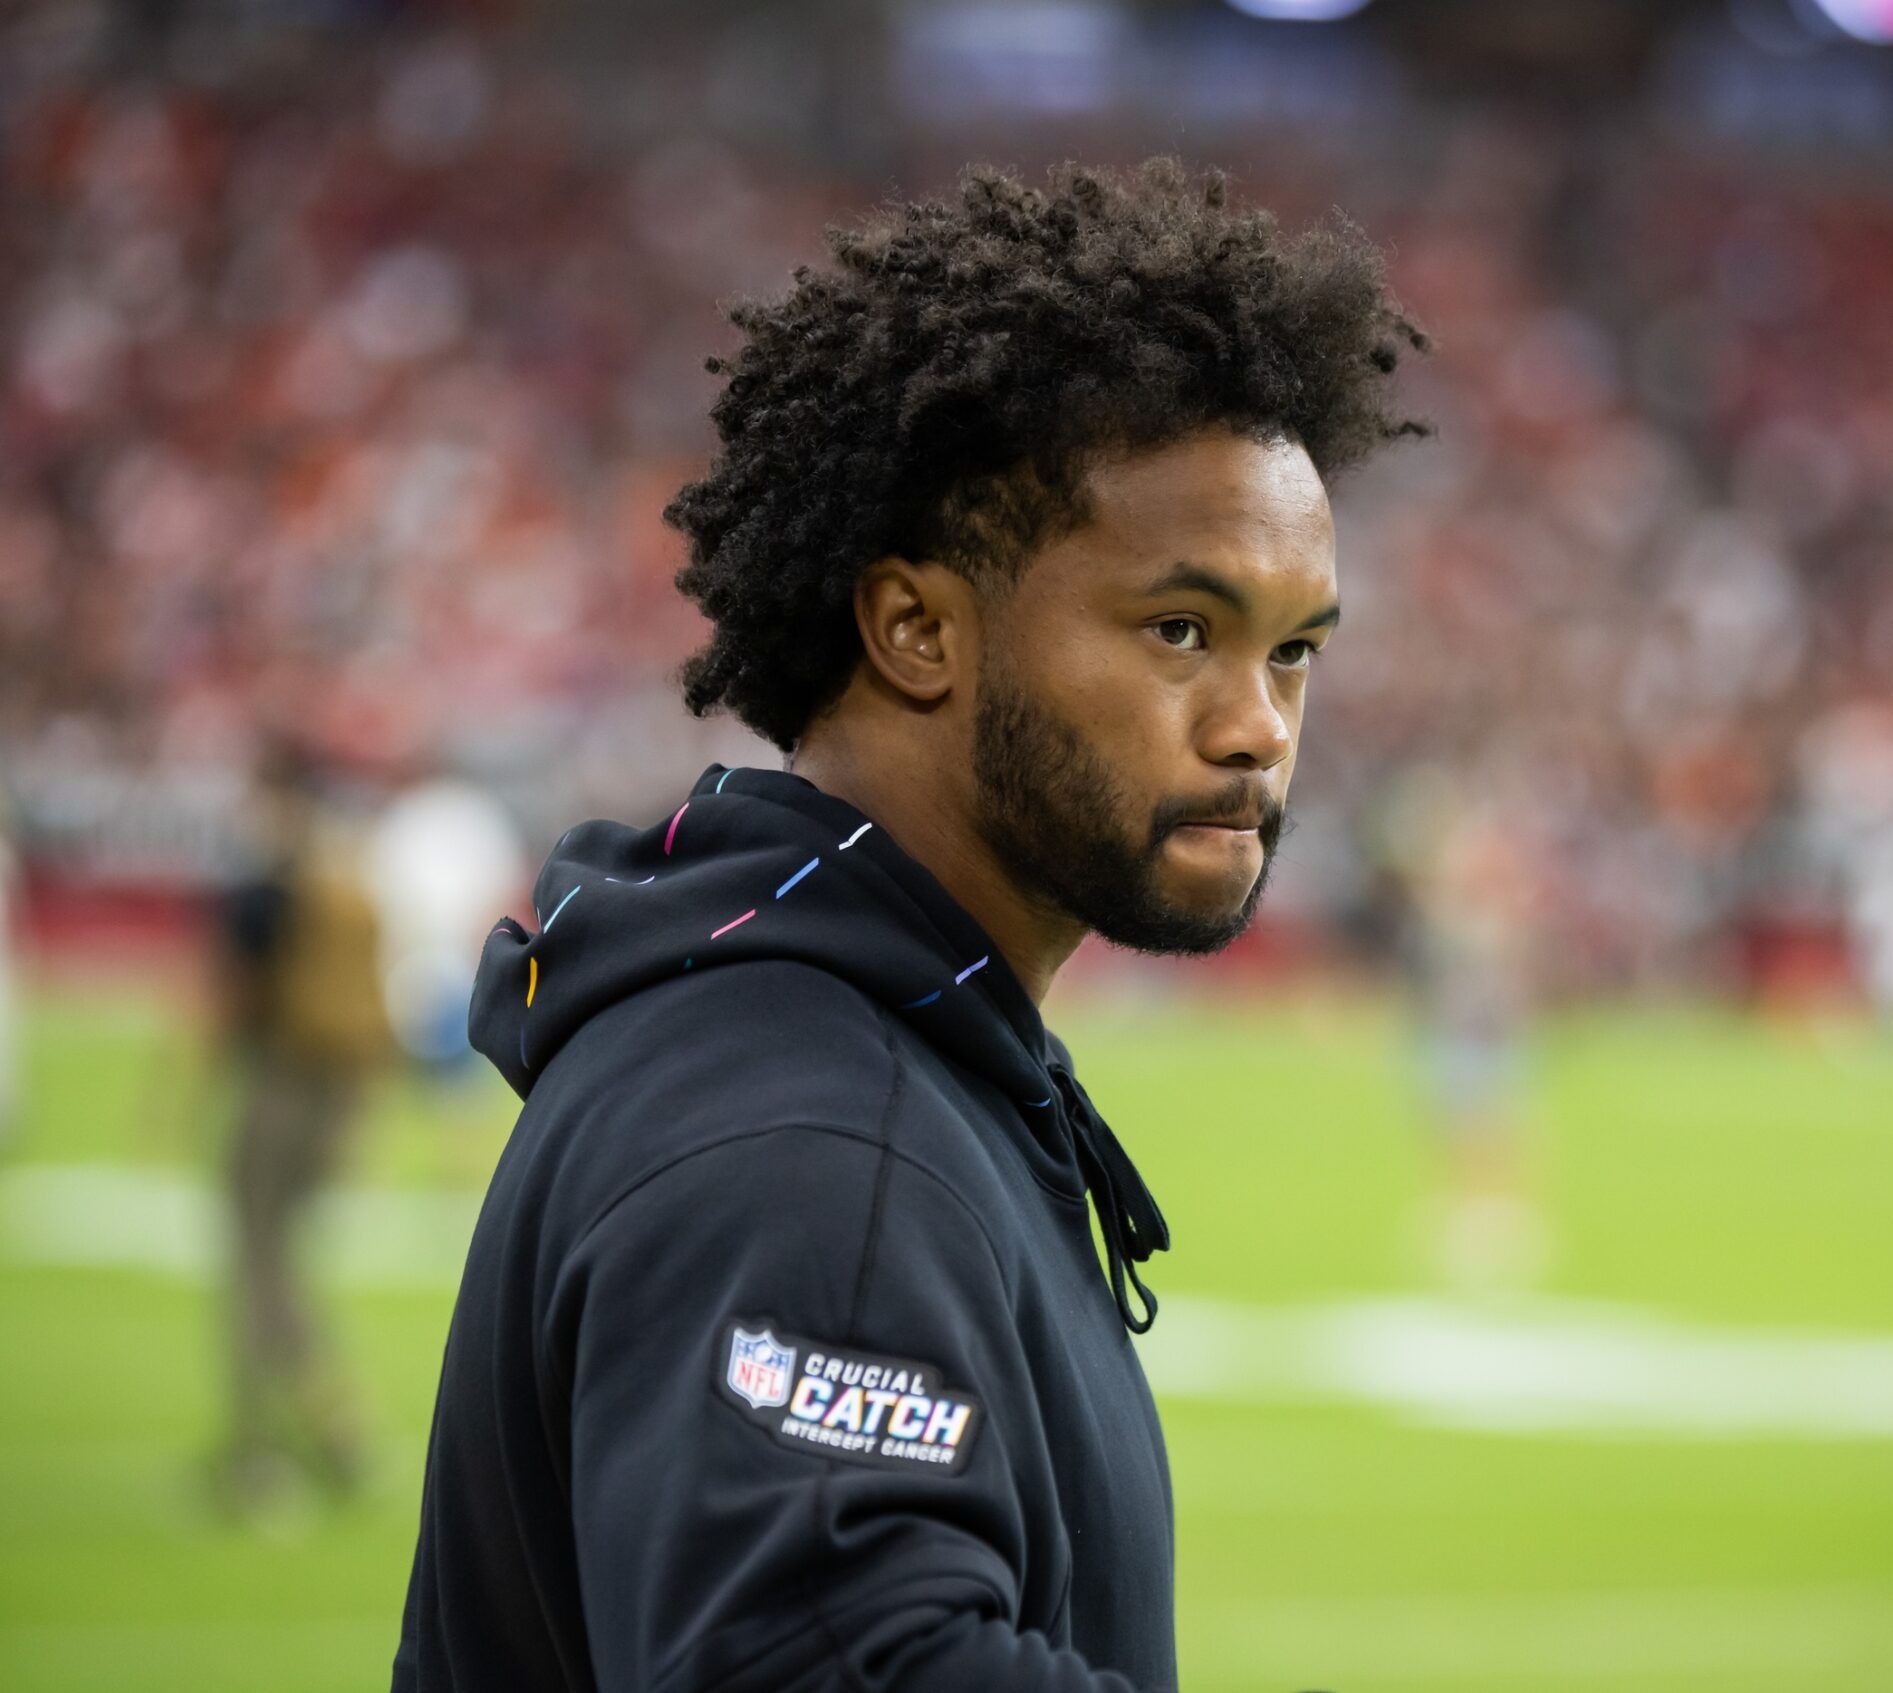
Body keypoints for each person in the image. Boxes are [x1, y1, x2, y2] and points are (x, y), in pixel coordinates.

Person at [393, 159, 1426, 1693]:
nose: (1255, 730)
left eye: (1294, 654)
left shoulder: (825, 1038)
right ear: (918, 630)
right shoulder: (810, 1136)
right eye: (1182, 632)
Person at [210, 744, 393, 1516]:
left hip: (281, 1083)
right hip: (339, 1091)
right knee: (281, 1257)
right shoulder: (347, 874)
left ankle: (276, 1440)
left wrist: (181, 1089)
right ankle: (328, 1427)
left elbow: (231, 995)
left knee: (259, 1265)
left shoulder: (271, 885)